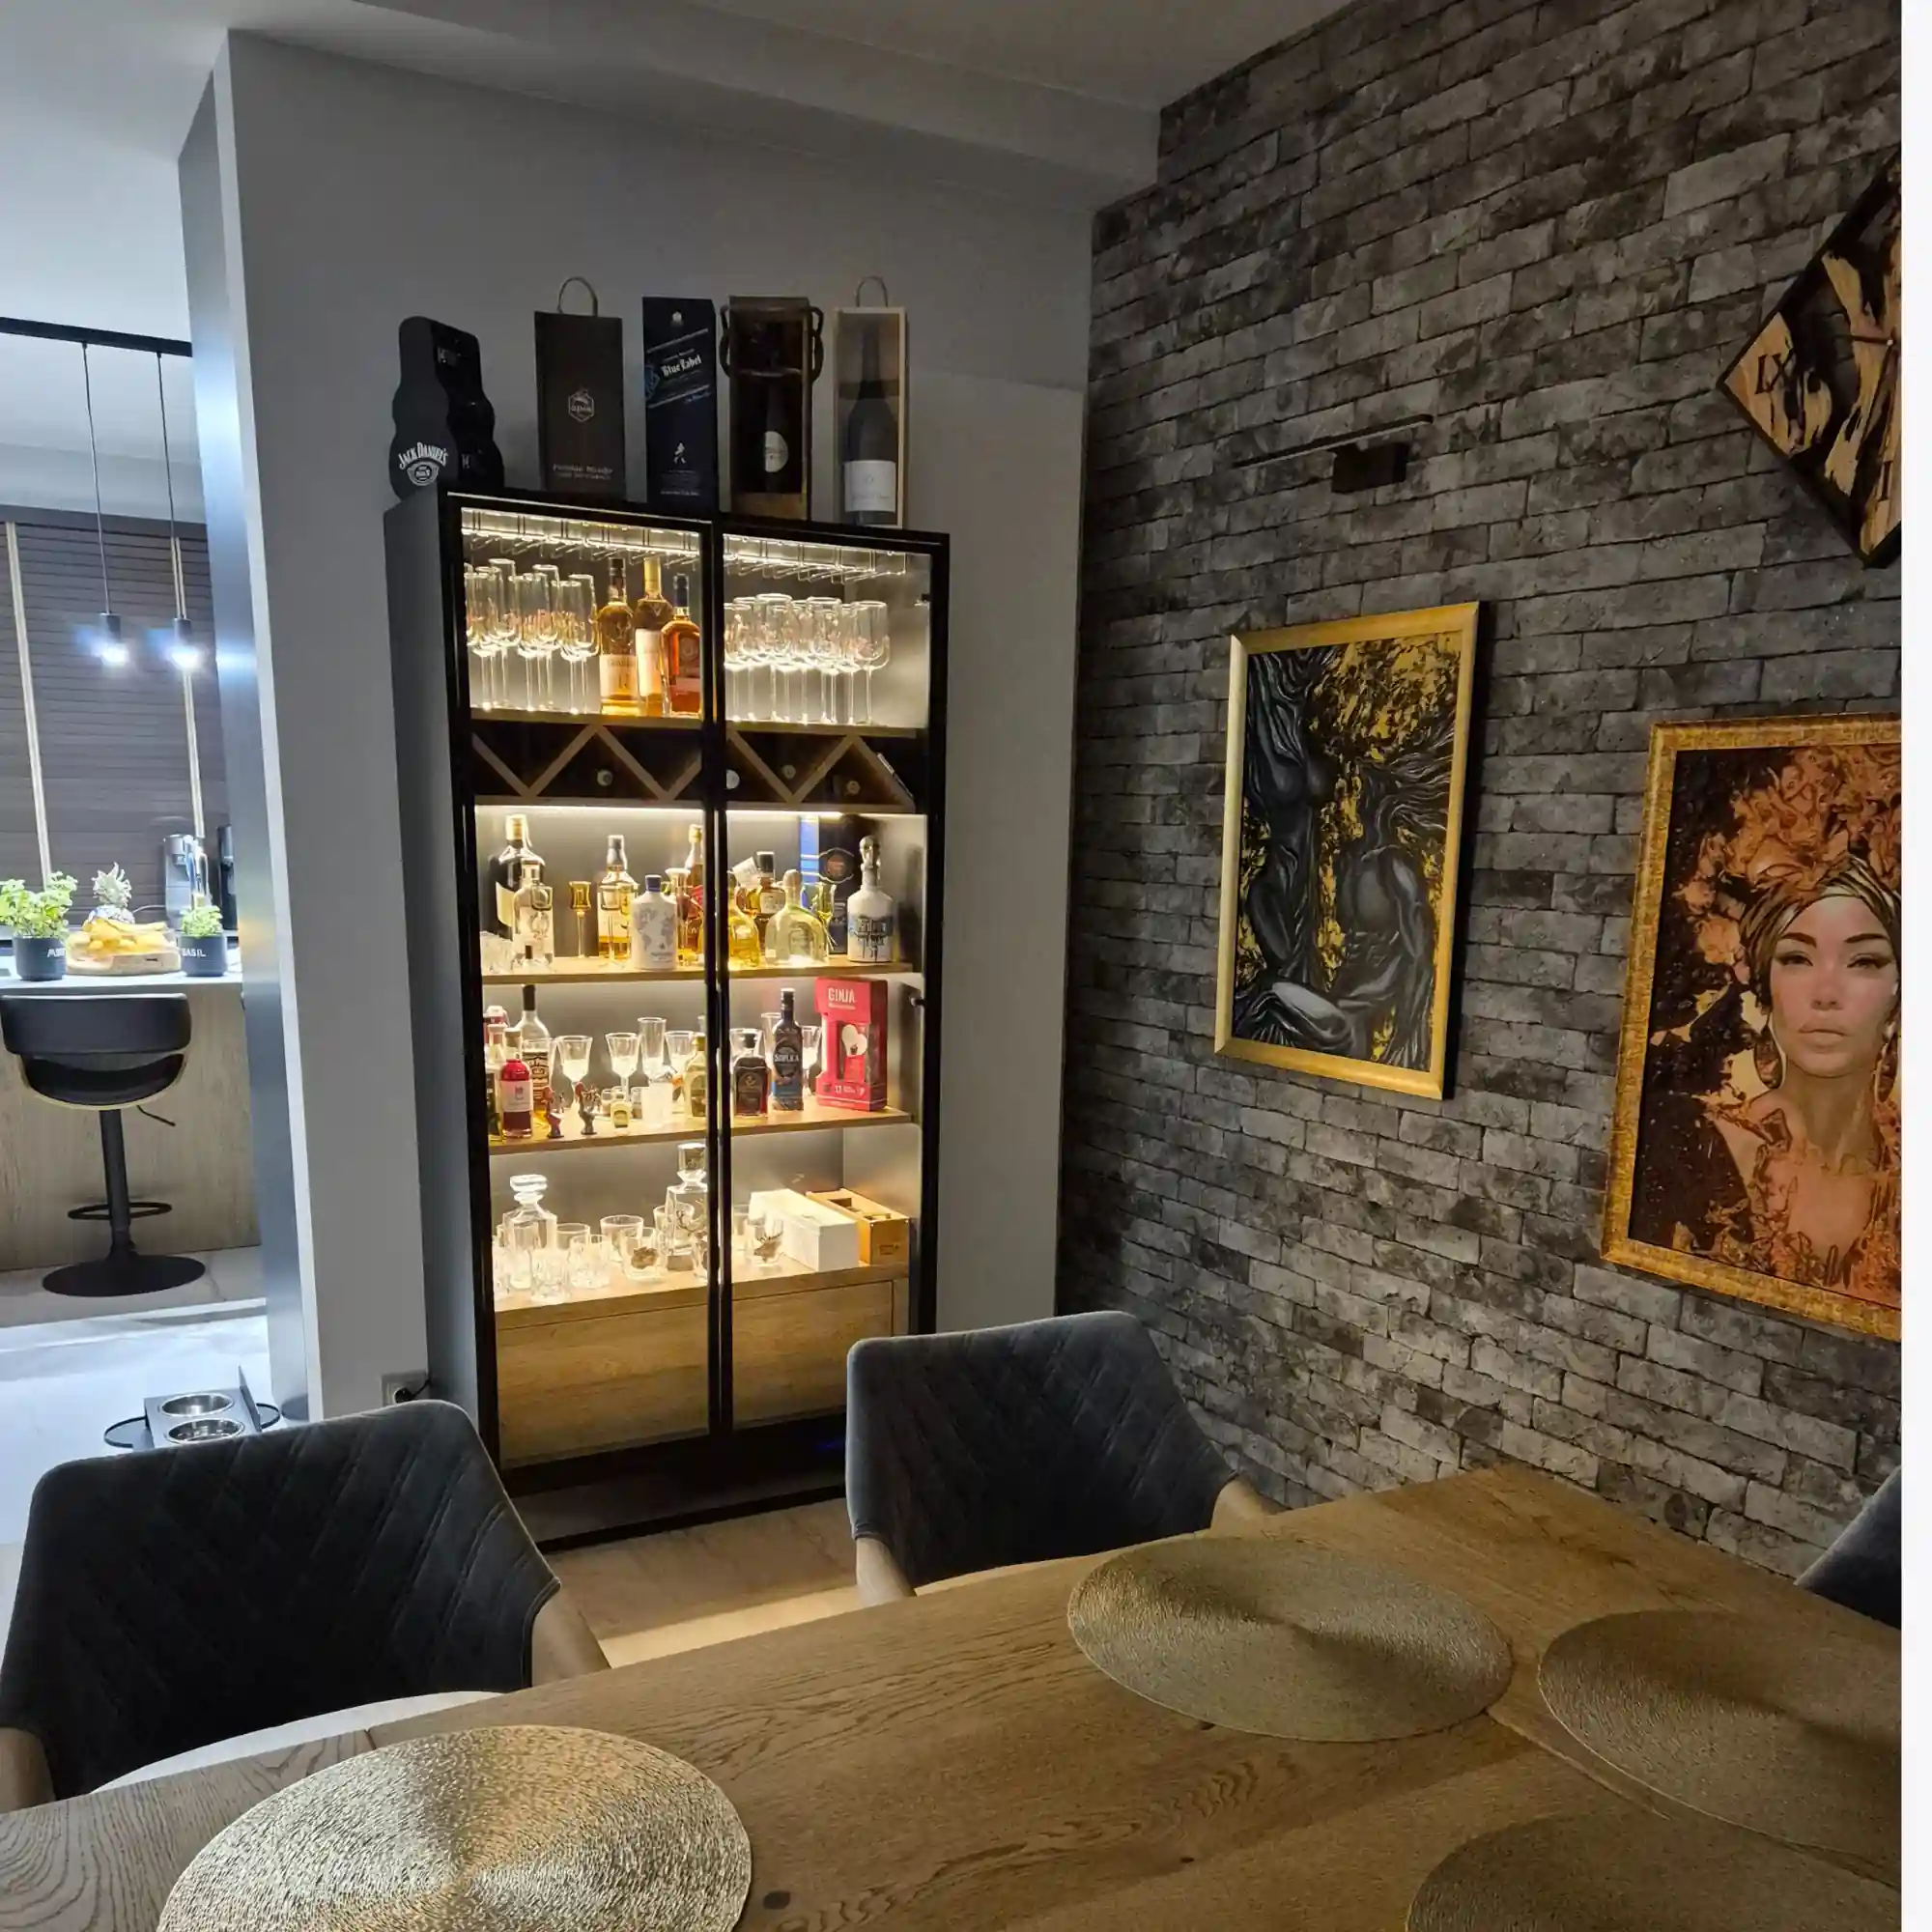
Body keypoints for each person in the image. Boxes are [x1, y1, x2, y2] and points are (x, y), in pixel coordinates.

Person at [1633, 852, 1899, 1301]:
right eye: (1797, 958)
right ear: (1764, 986)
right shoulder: (1685, 1143)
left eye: (1864, 962)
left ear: (1898, 994)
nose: (1826, 994)